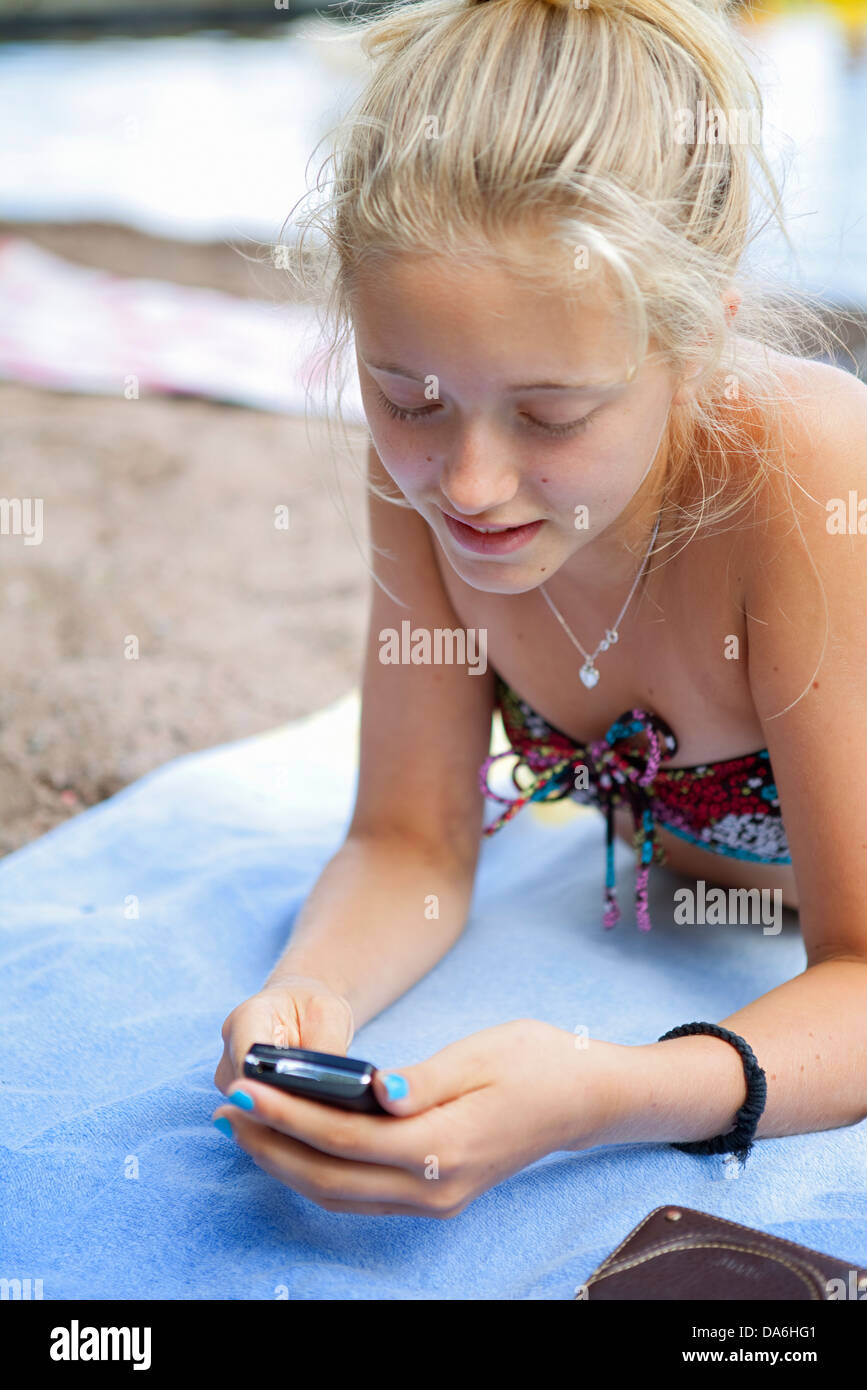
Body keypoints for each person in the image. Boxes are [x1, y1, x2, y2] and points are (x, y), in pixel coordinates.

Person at [212, 0, 867, 1217]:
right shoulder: (424, 470)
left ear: (698, 340)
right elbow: (410, 838)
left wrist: (604, 1092)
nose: (467, 481)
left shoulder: (809, 478)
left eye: (553, 416)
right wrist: (310, 997)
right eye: (405, 395)